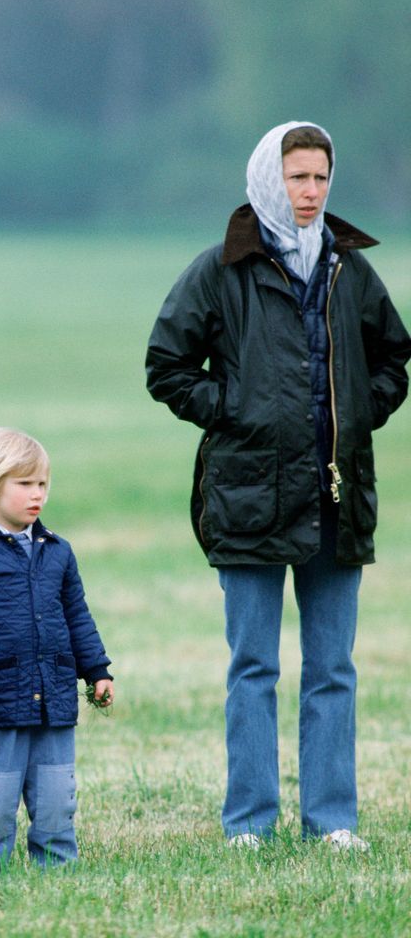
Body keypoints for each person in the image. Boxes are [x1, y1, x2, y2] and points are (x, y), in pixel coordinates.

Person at [145, 121, 411, 850]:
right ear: (269, 177)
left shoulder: (349, 269)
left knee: (333, 670)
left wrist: (356, 414)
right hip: (248, 497)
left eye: (321, 177)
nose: (311, 191)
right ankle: (250, 826)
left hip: (336, 499)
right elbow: (166, 366)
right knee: (253, 667)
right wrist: (233, 413)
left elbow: (396, 359)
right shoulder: (219, 270)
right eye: (298, 176)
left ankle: (332, 823)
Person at [0, 427, 114, 869]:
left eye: (42, 484)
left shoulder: (59, 552)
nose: (37, 495)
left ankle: (57, 868)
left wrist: (98, 670)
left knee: (57, 797)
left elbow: (77, 616)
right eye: (25, 484)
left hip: (53, 698)